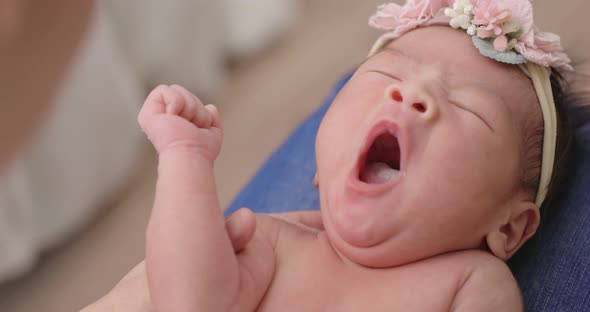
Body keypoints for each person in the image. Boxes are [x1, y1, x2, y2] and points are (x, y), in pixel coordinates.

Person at [139, 0, 581, 311]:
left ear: (509, 226)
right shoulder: (274, 240)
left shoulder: (469, 284)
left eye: (469, 107)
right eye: (387, 73)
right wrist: (184, 156)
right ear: (317, 170)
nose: (412, 92)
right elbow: (186, 300)